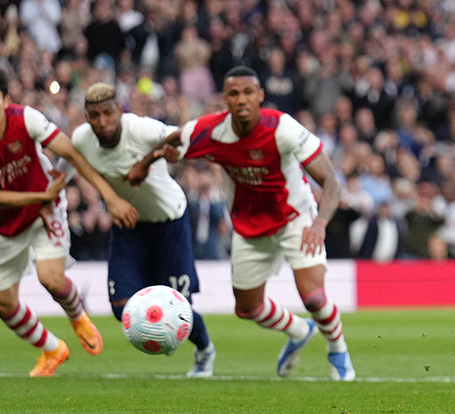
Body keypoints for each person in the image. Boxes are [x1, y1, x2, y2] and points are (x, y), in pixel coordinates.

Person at [152, 66, 354, 380]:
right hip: (249, 228)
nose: (242, 99)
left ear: (260, 96)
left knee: (313, 296)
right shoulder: (210, 130)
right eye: (234, 93)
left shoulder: (282, 128)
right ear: (226, 100)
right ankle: (300, 330)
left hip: (295, 218)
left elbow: (331, 180)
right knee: (247, 309)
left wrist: (320, 223)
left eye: (248, 92)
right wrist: (146, 164)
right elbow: (175, 139)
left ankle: (337, 348)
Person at [0, 65, 138, 377]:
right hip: (8, 222)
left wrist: (110, 197)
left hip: (45, 212)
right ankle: (52, 348)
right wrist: (40, 197)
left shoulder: (26, 118)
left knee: (50, 278)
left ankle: (78, 316)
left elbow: (73, 154)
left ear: (6, 100)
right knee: (4, 304)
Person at [71, 82, 217, 378]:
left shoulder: (140, 129)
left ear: (120, 110)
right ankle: (163, 337)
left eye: (108, 113)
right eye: (95, 115)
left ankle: (205, 350)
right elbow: (70, 163)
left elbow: (184, 134)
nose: (103, 122)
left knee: (180, 310)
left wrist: (152, 158)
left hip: (170, 222)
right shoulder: (81, 139)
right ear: (87, 118)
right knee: (121, 307)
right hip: (129, 225)